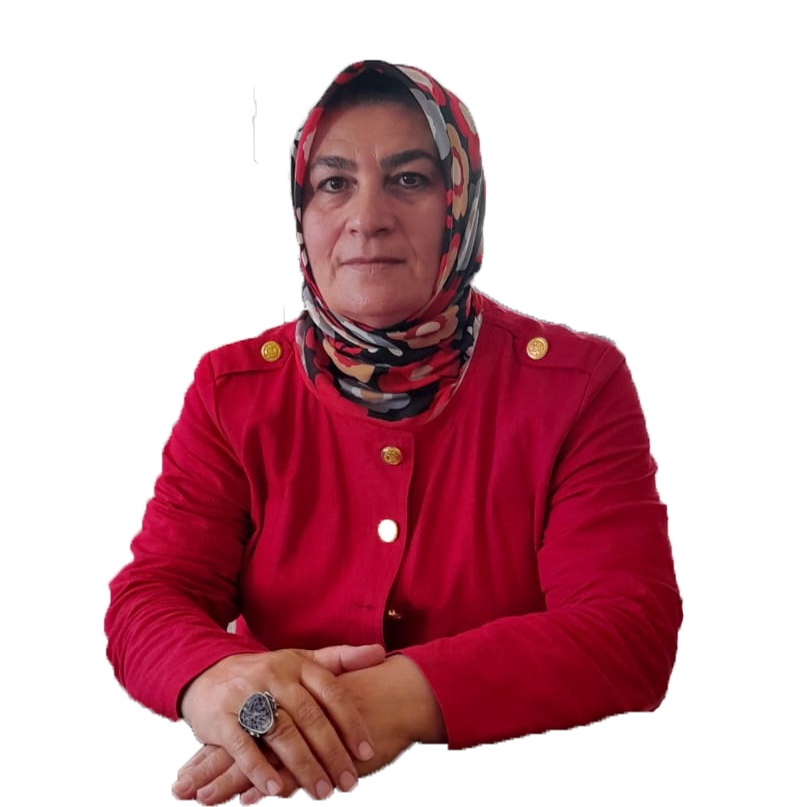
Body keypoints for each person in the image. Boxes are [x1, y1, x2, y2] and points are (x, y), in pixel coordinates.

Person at [105, 59, 682, 804]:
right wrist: (221, 684)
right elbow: (153, 595)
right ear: (301, 212)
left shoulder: (575, 384)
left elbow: (628, 629)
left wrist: (395, 699)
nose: (366, 216)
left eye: (408, 179)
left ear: (460, 204)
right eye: (333, 183)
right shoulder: (233, 389)